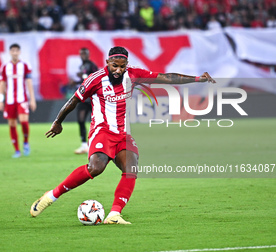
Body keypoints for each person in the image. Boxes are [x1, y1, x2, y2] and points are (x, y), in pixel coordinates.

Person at [30, 46, 215, 224]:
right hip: (102, 131)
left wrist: (198, 79)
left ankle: (114, 214)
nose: (118, 70)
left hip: (123, 133)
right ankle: (51, 196)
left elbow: (165, 77)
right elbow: (73, 101)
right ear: (107, 62)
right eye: (114, 66)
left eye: (122, 66)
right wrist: (57, 122)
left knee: (131, 168)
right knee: (96, 168)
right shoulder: (95, 79)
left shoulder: (134, 74)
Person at [0, 43, 36, 158]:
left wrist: (32, 100)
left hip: (22, 99)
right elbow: (2, 83)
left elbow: (29, 83)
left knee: (24, 121)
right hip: (9, 100)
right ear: (9, 52)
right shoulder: (4, 67)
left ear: (19, 52)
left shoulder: (25, 65)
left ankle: (26, 142)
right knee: (12, 124)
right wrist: (0, 100)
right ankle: (17, 150)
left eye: (16, 50)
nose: (14, 52)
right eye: (12, 50)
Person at [74, 48, 98, 154]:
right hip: (84, 97)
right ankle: (84, 145)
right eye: (81, 54)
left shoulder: (92, 65)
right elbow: (83, 81)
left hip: (93, 98)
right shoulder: (82, 66)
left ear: (88, 54)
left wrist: (82, 76)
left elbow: (94, 78)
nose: (83, 55)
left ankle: (95, 144)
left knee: (96, 122)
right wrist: (75, 81)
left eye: (84, 53)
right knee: (81, 120)